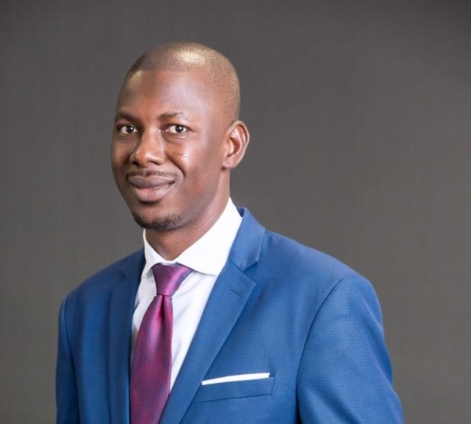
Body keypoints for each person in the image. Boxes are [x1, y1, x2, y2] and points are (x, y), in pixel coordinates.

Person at [56, 41, 403, 424]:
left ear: (232, 146)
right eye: (128, 128)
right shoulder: (84, 310)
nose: (144, 152)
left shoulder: (322, 299)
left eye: (176, 129)